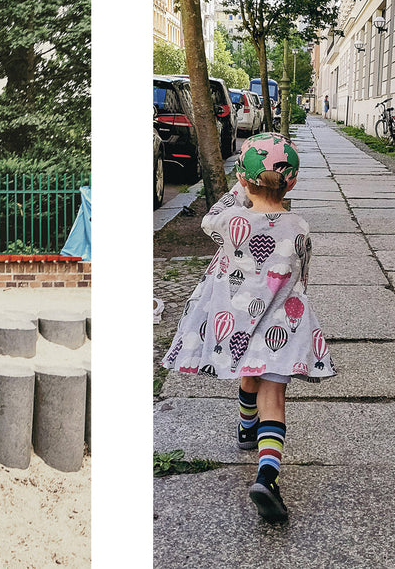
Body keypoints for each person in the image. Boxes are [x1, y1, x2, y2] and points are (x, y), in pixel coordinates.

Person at [161, 132, 335, 522]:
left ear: (242, 179)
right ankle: (267, 475)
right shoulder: (300, 226)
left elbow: (209, 219)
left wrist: (240, 194)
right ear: (292, 182)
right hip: (282, 325)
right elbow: (302, 279)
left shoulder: (227, 220)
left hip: (238, 321)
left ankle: (244, 427)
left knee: (247, 374)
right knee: (273, 398)